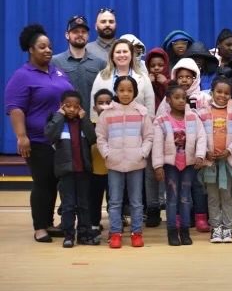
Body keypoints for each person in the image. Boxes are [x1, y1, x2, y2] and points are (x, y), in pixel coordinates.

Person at [5, 24, 75, 242]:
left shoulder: (57, 71)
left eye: (50, 47)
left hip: (61, 138)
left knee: (55, 182)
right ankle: (39, 227)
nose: (47, 50)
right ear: (31, 50)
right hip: (37, 139)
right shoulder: (22, 76)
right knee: (42, 182)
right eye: (42, 47)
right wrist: (22, 136)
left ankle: (48, 222)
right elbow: (15, 108)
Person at [95, 76, 154, 249]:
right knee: (115, 201)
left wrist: (142, 153)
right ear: (116, 91)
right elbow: (101, 137)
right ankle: (115, 233)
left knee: (136, 201)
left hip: (136, 164)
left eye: (129, 90)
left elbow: (149, 137)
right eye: (121, 90)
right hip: (114, 164)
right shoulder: (107, 113)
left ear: (135, 91)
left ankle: (137, 233)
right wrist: (107, 154)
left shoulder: (142, 112)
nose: (125, 94)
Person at [152, 83, 207, 246]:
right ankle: (172, 232)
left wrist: (199, 155)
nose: (181, 101)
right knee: (172, 199)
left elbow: (201, 137)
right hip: (170, 166)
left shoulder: (193, 117)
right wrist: (158, 166)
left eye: (184, 98)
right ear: (168, 100)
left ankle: (184, 231)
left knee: (185, 198)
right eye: (176, 98)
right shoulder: (161, 120)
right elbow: (157, 144)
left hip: (188, 164)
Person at [198, 78, 232, 243]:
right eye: (219, 92)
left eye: (226, 93)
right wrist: (205, 152)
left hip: (228, 163)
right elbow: (198, 134)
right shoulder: (202, 112)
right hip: (210, 164)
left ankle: (227, 227)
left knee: (227, 197)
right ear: (212, 93)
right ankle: (215, 228)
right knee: (213, 197)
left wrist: (229, 150)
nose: (222, 95)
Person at [44, 90, 96, 247]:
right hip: (66, 172)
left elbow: (92, 138)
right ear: (61, 106)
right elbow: (50, 135)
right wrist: (59, 116)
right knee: (68, 205)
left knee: (84, 205)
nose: (72, 109)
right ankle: (68, 235)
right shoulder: (57, 121)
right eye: (68, 106)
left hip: (83, 172)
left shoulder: (83, 122)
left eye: (75, 106)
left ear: (80, 107)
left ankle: (84, 234)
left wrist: (85, 119)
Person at [90, 39, 156, 121]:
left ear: (131, 55)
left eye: (125, 51)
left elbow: (150, 108)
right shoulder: (102, 76)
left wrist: (146, 128)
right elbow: (94, 105)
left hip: (137, 129)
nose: (121, 55)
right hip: (109, 129)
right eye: (118, 52)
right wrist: (96, 125)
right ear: (112, 56)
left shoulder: (143, 77)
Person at [52, 15, 106, 113]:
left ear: (88, 36)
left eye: (83, 32)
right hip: (64, 123)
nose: (80, 34)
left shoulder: (100, 63)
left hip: (92, 122)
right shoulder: (54, 62)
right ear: (67, 35)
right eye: (75, 31)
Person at [88, 89, 113, 241]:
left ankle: (115, 225)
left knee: (114, 200)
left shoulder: (117, 125)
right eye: (100, 103)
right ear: (94, 108)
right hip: (95, 172)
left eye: (108, 103)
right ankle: (94, 225)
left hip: (113, 171)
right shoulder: (89, 126)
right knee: (94, 200)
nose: (104, 105)